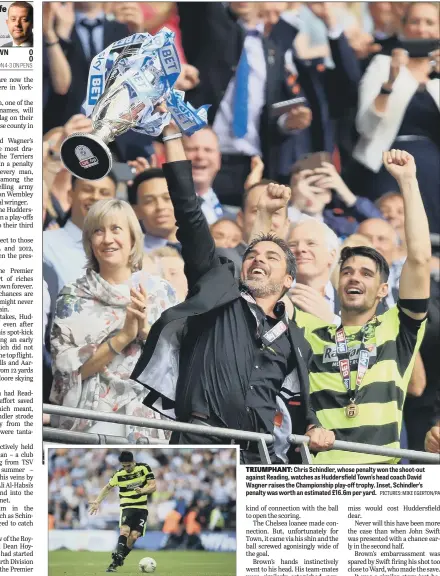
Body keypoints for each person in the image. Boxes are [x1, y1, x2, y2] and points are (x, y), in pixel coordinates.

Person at [132, 108, 335, 464]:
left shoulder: (295, 338)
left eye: (272, 258)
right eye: (252, 254)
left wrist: (316, 427)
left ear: (289, 280)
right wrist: (171, 136)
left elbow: (296, 404)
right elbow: (189, 210)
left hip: (262, 459)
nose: (258, 259)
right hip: (202, 445)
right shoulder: (218, 291)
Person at [297, 150, 431, 465]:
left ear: (383, 290)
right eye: (347, 271)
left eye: (366, 273)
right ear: (337, 284)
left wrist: (408, 182)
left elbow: (420, 259)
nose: (354, 277)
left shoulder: (399, 329)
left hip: (381, 483)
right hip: (321, 482)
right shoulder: (309, 330)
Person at [49, 199, 177, 441]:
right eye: (98, 231)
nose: (107, 239)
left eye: (116, 229)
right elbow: (67, 375)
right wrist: (123, 337)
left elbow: (180, 362)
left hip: (150, 418)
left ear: (132, 238)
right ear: (89, 242)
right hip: (92, 419)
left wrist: (146, 332)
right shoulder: (72, 295)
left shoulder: (162, 292)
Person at [177, 2, 312, 206]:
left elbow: (267, 111)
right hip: (205, 157)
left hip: (251, 163)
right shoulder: (212, 30)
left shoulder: (271, 49)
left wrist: (286, 122)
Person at [347, 2, 440, 234]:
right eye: (415, 22)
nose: (421, 29)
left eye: (429, 22)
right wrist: (390, 81)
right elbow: (365, 126)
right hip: (390, 164)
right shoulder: (382, 63)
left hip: (434, 170)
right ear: (404, 26)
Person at [43, 173, 118, 316]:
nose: (95, 197)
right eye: (88, 189)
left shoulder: (123, 249)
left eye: (104, 193)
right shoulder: (44, 244)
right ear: (70, 195)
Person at [88, 451, 156, 573]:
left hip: (141, 508)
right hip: (127, 506)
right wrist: (97, 501)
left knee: (134, 536)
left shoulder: (144, 468)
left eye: (128, 466)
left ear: (133, 462)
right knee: (124, 531)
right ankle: (118, 555)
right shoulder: (118, 475)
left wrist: (143, 490)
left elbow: (153, 486)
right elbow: (107, 488)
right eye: (124, 466)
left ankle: (118, 559)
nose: (126, 468)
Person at [289, 162, 384, 238]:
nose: (309, 196)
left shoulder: (341, 225)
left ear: (328, 196)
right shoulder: (281, 217)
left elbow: (385, 232)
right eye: (303, 189)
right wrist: (296, 205)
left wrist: (347, 194)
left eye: (317, 190)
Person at [287, 219, 340, 323]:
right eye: (292, 245)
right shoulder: (277, 299)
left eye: (311, 243)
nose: (300, 249)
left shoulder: (354, 302)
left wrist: (333, 321)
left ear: (331, 255)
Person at [183, 128, 227, 224]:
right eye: (192, 149)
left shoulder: (233, 218)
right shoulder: (160, 210)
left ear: (219, 159)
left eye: (208, 150)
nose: (200, 156)